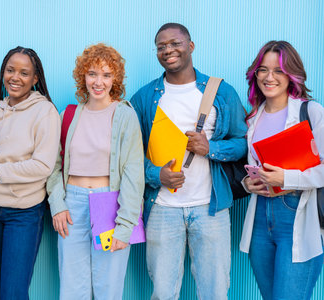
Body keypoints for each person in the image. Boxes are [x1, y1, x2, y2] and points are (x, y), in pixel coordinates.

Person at [131, 23, 247, 299]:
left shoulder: (221, 91)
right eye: (161, 46)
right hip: (162, 208)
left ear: (191, 46)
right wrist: (156, 175)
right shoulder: (145, 97)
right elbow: (130, 157)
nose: (168, 50)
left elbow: (243, 143)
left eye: (175, 43)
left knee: (215, 291)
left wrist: (211, 148)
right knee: (163, 292)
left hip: (211, 207)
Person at [46, 43, 144, 300]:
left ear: (116, 79)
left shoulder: (125, 115)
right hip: (72, 205)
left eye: (106, 75)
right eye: (92, 74)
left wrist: (125, 225)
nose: (98, 82)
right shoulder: (68, 114)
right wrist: (57, 204)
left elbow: (134, 175)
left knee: (107, 288)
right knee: (71, 289)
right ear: (83, 76)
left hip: (110, 206)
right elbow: (54, 166)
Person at [0, 46, 60, 300]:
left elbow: (43, 166)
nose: (15, 77)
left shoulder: (46, 112)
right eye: (10, 70)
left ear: (35, 79)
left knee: (13, 292)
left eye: (24, 72)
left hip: (24, 213)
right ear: (3, 73)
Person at [240, 41, 324, 300]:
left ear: (292, 75)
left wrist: (286, 178)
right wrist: (247, 183)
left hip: (297, 215)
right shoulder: (253, 118)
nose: (269, 77)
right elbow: (254, 167)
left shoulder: (310, 111)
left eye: (278, 71)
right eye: (263, 70)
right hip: (260, 220)